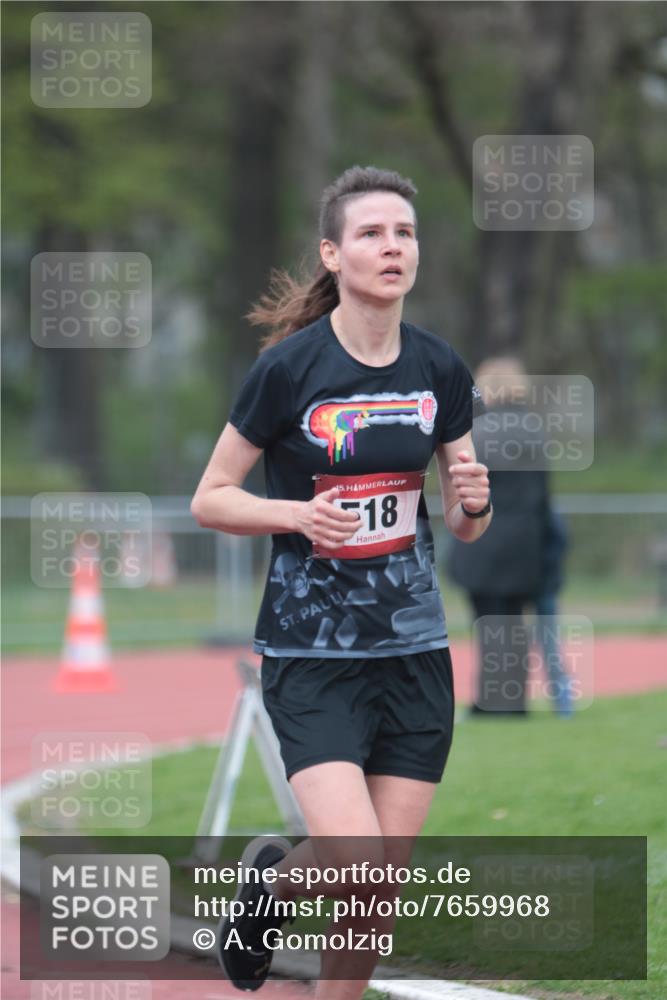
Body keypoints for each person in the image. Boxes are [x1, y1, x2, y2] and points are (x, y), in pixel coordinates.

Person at [191, 165, 491, 998]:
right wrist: (295, 516)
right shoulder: (289, 370)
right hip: (313, 651)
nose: (392, 246)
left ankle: (280, 905)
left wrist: (473, 503)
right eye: (370, 233)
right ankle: (270, 892)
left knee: (375, 889)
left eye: (403, 232)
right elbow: (210, 497)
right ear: (333, 252)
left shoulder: (439, 370)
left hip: (414, 652)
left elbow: (464, 522)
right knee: (356, 863)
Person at [447, 358, 568, 716]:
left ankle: (488, 701)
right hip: (524, 545)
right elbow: (544, 497)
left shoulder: (478, 431)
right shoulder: (534, 431)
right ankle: (514, 701)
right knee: (514, 625)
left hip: (482, 540)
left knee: (487, 625)